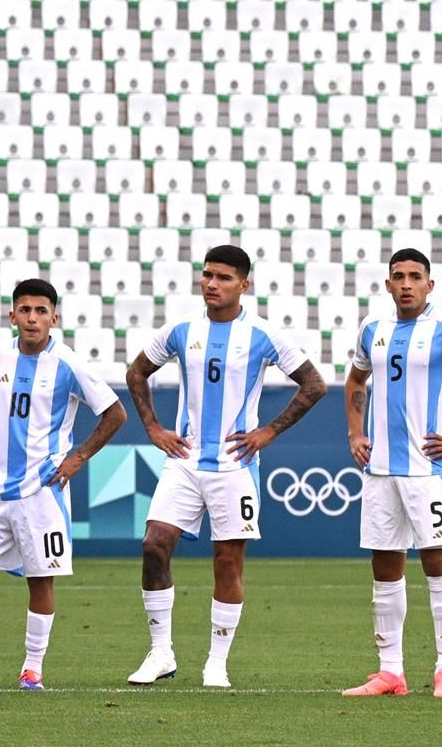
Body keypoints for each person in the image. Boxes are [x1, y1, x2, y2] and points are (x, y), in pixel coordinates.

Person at [123, 243, 328, 690]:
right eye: (207, 275)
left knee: (227, 562)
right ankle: (160, 653)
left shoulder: (263, 335)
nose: (212, 284)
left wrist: (268, 432)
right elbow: (137, 372)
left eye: (223, 278)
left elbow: (314, 384)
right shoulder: (180, 329)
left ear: (244, 285)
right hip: (184, 460)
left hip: (234, 465)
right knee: (154, 544)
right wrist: (154, 428)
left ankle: (217, 662)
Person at [340, 248, 442, 699]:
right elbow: (356, 381)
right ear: (388, 284)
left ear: (430, 284)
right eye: (399, 276)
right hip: (379, 472)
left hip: (426, 471)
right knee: (385, 567)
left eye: (416, 276)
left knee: (437, 563)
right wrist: (356, 433)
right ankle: (390, 672)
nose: (407, 284)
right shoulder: (372, 329)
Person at [0, 278, 126, 692]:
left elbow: (115, 414)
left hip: (41, 492)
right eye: (24, 310)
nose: (32, 318)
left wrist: (77, 458)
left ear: (55, 317)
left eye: (40, 311)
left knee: (40, 580)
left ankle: (32, 668)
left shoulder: (68, 364)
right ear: (12, 314)